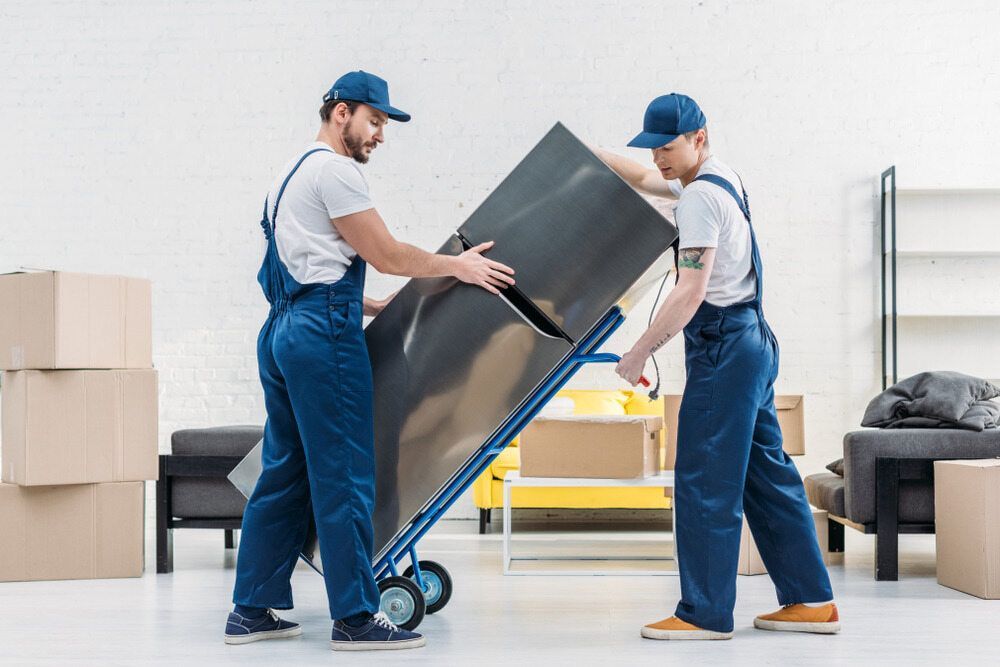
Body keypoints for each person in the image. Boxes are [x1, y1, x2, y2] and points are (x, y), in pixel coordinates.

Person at [225, 70, 515, 651]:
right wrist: (457, 266)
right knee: (345, 473)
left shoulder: (289, 174)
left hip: (285, 330)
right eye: (375, 121)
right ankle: (355, 617)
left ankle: (250, 611)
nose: (380, 135)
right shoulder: (336, 172)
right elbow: (384, 252)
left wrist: (360, 302)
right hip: (321, 339)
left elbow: (298, 270)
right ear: (342, 113)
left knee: (286, 473)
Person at [594, 93, 839, 640]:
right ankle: (811, 601)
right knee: (767, 476)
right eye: (652, 147)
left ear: (698, 137)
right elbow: (654, 180)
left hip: (724, 345)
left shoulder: (700, 199)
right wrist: (600, 154)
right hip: (752, 338)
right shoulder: (719, 176)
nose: (659, 157)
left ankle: (703, 614)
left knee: (705, 478)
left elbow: (690, 291)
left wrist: (638, 352)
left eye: (668, 146)